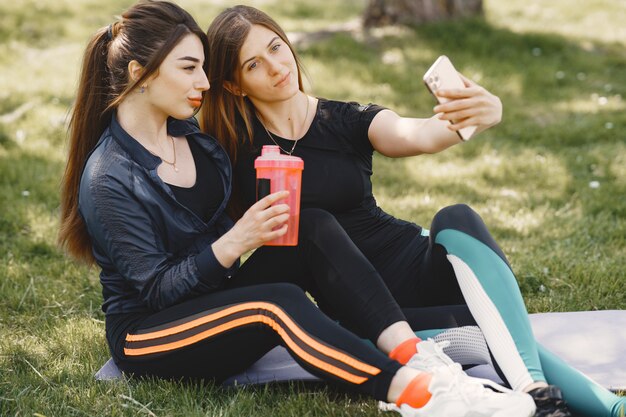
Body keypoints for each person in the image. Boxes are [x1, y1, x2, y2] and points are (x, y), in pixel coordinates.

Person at [57, 2, 537, 417]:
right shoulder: (110, 178)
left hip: (214, 299)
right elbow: (159, 291)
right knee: (276, 304)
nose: (204, 82)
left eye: (204, 67)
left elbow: (402, 135)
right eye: (188, 68)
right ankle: (421, 395)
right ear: (140, 73)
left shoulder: (194, 141)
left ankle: (418, 360)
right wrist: (237, 240)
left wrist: (468, 118)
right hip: (151, 334)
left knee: (309, 223)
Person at [201, 5, 626, 417]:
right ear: (236, 85)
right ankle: (601, 406)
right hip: (368, 309)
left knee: (456, 216)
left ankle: (533, 389)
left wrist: (472, 117)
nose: (276, 66)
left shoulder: (344, 119)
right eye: (253, 64)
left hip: (419, 264)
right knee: (489, 329)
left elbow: (416, 132)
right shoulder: (232, 149)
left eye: (276, 47)